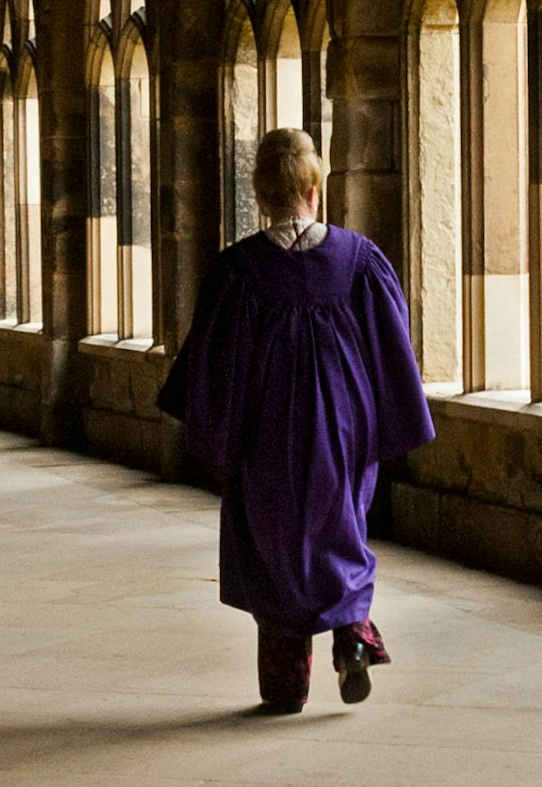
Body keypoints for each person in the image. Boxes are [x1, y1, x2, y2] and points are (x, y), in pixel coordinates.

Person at [156, 127, 436, 712]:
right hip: (343, 429)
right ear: (315, 188)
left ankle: (286, 685)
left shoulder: (237, 272)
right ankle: (354, 636)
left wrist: (213, 432)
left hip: (266, 435)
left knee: (271, 544)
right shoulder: (359, 261)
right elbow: (391, 345)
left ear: (260, 194)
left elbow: (211, 359)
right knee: (342, 529)